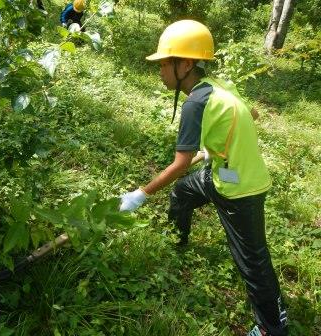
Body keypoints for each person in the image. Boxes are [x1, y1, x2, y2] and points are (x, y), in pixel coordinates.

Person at [119, 20, 288, 336]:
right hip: (220, 173)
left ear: (184, 64)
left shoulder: (196, 102)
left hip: (241, 189)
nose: (159, 72)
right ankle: (176, 241)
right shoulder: (219, 86)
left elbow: (181, 163)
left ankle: (271, 327)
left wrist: (140, 194)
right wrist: (218, 147)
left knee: (253, 261)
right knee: (182, 193)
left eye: (163, 64)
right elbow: (252, 115)